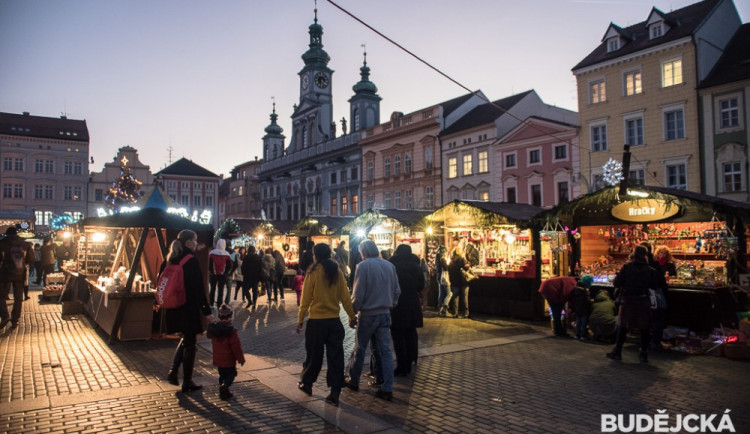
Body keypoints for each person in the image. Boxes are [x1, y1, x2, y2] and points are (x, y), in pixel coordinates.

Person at [296, 243, 356, 407]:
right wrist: (352, 316)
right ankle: (335, 392)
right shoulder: (337, 272)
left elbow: (305, 299)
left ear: (315, 255)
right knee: (335, 357)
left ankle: (307, 383)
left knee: (314, 356)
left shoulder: (312, 272)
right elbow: (345, 297)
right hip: (334, 322)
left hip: (316, 322)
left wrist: (300, 320)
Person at [345, 239, 401, 401]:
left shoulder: (363, 266)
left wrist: (352, 313)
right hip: (385, 313)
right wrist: (391, 304)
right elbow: (397, 291)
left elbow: (358, 294)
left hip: (368, 314)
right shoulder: (389, 266)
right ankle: (387, 386)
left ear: (363, 253)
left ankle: (354, 380)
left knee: (360, 349)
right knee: (385, 351)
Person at [161, 229, 214, 392]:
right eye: (195, 240)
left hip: (173, 307)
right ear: (189, 242)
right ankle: (187, 381)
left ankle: (173, 372)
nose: (196, 243)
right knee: (190, 344)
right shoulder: (190, 260)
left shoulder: (170, 259)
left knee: (186, 339)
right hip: (188, 308)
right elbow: (198, 289)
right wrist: (207, 311)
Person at [607, 245, 658, 363]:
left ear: (634, 254)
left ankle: (618, 351)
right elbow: (654, 286)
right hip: (643, 300)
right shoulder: (650, 270)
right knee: (644, 328)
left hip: (628, 299)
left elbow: (617, 283)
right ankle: (643, 353)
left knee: (623, 326)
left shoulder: (627, 267)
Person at [389, 244, 424, 376]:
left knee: (398, 336)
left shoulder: (393, 265)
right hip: (412, 302)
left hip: (397, 303)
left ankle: (402, 365)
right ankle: (411, 359)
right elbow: (422, 284)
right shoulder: (416, 266)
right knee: (410, 333)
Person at [206, 304, 245, 400]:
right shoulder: (231, 331)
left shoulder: (214, 330)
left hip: (218, 359)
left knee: (222, 375)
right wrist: (241, 359)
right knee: (231, 374)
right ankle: (225, 386)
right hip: (229, 360)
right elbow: (236, 347)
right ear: (231, 316)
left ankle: (224, 391)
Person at [0, 226, 35, 330]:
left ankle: (5, 316)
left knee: (1, 297)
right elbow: (31, 258)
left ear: (6, 234)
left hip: (5, 273)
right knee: (18, 298)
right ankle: (15, 320)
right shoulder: (25, 244)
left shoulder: (2, 243)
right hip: (20, 273)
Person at [208, 239, 233, 307]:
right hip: (222, 275)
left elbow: (208, 263)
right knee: (221, 289)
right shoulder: (227, 254)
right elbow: (230, 265)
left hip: (213, 274)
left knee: (212, 288)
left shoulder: (212, 253)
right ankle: (219, 303)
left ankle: (211, 302)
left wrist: (211, 271)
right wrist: (225, 272)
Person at [447, 246, 470, 318]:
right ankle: (466, 313)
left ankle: (455, 313)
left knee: (455, 297)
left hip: (454, 281)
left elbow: (449, 270)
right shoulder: (462, 259)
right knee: (464, 297)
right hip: (463, 281)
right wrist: (468, 265)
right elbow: (466, 268)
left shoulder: (451, 260)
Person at [570, 275, 593, 341]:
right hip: (584, 308)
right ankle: (583, 335)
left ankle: (577, 335)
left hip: (577, 307)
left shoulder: (576, 288)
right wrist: (591, 301)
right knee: (583, 322)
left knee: (578, 321)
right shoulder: (585, 290)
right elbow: (587, 301)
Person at [240, 245, 263, 310]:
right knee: (255, 290)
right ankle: (254, 303)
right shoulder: (258, 257)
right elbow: (260, 267)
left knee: (245, 289)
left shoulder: (246, 257)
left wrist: (243, 273)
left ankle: (249, 300)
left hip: (247, 277)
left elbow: (243, 267)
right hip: (256, 276)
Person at [435, 246, 452, 316]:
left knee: (441, 293)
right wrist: (449, 262)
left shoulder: (437, 258)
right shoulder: (442, 259)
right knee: (449, 293)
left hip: (439, 277)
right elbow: (446, 268)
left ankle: (439, 310)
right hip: (444, 277)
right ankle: (444, 308)